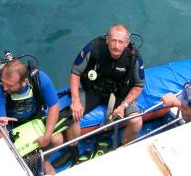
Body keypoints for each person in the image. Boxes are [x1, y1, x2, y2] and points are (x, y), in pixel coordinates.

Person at [53, 23, 145, 167]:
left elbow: (139, 85)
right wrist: (76, 100)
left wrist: (124, 105)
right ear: (107, 39)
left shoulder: (134, 58)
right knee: (72, 115)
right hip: (94, 90)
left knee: (136, 121)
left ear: (127, 43)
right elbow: (75, 72)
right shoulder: (94, 48)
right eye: (113, 40)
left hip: (120, 95)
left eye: (121, 42)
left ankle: (123, 148)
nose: (116, 45)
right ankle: (72, 151)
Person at [0, 56, 63, 175]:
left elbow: (54, 105)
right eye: (3, 83)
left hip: (34, 118)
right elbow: (1, 128)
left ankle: (45, 161)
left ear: (24, 81)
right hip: (11, 125)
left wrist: (47, 135)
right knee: (8, 151)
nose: (5, 88)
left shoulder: (40, 78)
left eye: (10, 85)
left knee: (57, 139)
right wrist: (11, 149)